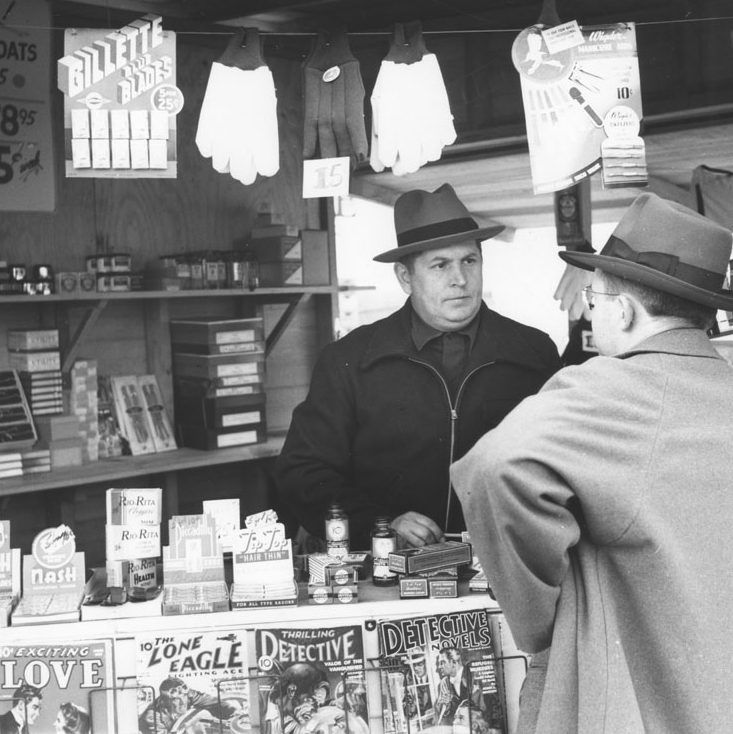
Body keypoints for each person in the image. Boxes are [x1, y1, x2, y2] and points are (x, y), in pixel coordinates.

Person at [451, 192, 733, 733]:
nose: (590, 310)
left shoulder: (610, 389)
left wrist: (539, 613)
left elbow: (493, 467)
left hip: (634, 703)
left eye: (593, 299)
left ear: (624, 311)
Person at [275, 183, 561, 549]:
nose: (459, 279)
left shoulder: (533, 352)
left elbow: (560, 465)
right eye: (440, 265)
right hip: (386, 569)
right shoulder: (349, 360)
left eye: (469, 261)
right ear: (405, 277)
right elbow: (303, 473)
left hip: (506, 566)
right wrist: (378, 525)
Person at [138, 676, 239, 734]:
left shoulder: (188, 695)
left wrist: (234, 712)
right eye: (176, 699)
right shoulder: (152, 715)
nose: (183, 701)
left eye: (184, 696)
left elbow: (214, 703)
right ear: (166, 701)